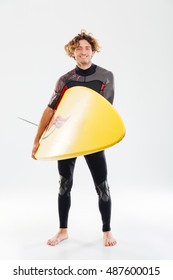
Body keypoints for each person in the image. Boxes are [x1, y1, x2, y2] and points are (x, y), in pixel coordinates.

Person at [32, 30, 117, 247]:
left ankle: (107, 230)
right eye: (78, 48)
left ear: (93, 51)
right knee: (64, 184)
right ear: (73, 52)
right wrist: (37, 140)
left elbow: (105, 111)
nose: (83, 51)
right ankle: (63, 231)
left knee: (102, 186)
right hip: (67, 139)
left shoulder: (105, 76)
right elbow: (50, 110)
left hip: (91, 139)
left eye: (87, 47)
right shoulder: (66, 80)